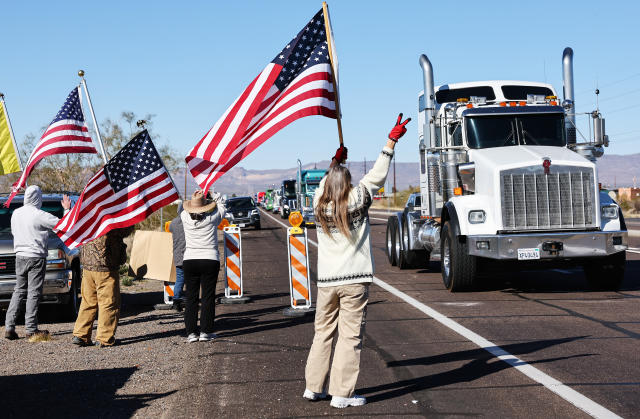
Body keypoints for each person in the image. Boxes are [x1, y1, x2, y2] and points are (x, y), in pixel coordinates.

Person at [303, 114, 410, 408]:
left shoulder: (317, 202)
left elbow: (329, 182)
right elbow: (378, 173)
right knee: (350, 337)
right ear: (349, 184)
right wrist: (391, 141)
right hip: (354, 280)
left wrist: (334, 165)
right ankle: (341, 394)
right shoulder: (359, 196)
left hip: (327, 281)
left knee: (322, 332)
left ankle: (313, 387)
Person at [4, 186, 71, 340]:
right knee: (34, 292)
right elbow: (63, 226)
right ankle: (31, 328)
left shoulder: (16, 213)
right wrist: (66, 210)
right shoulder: (39, 215)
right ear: (38, 198)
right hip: (36, 257)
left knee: (19, 291)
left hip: (20, 257)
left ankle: (9, 327)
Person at [71, 225, 134, 347]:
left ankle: (81, 334)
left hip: (88, 267)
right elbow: (125, 230)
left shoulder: (89, 217)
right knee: (108, 303)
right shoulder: (109, 219)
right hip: (105, 268)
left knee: (88, 301)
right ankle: (104, 338)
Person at [181, 190, 225, 343]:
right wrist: (214, 194)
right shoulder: (213, 218)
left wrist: (194, 200)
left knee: (191, 297)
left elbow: (183, 208)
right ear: (205, 207)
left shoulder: (184, 217)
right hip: (209, 259)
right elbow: (222, 206)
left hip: (190, 260)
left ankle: (191, 333)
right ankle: (206, 331)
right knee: (208, 297)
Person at [169, 202, 186, 311]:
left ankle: (176, 300)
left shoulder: (173, 223)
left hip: (177, 254)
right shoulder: (189, 222)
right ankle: (189, 300)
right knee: (191, 279)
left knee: (179, 278)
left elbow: (170, 231)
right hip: (189, 255)